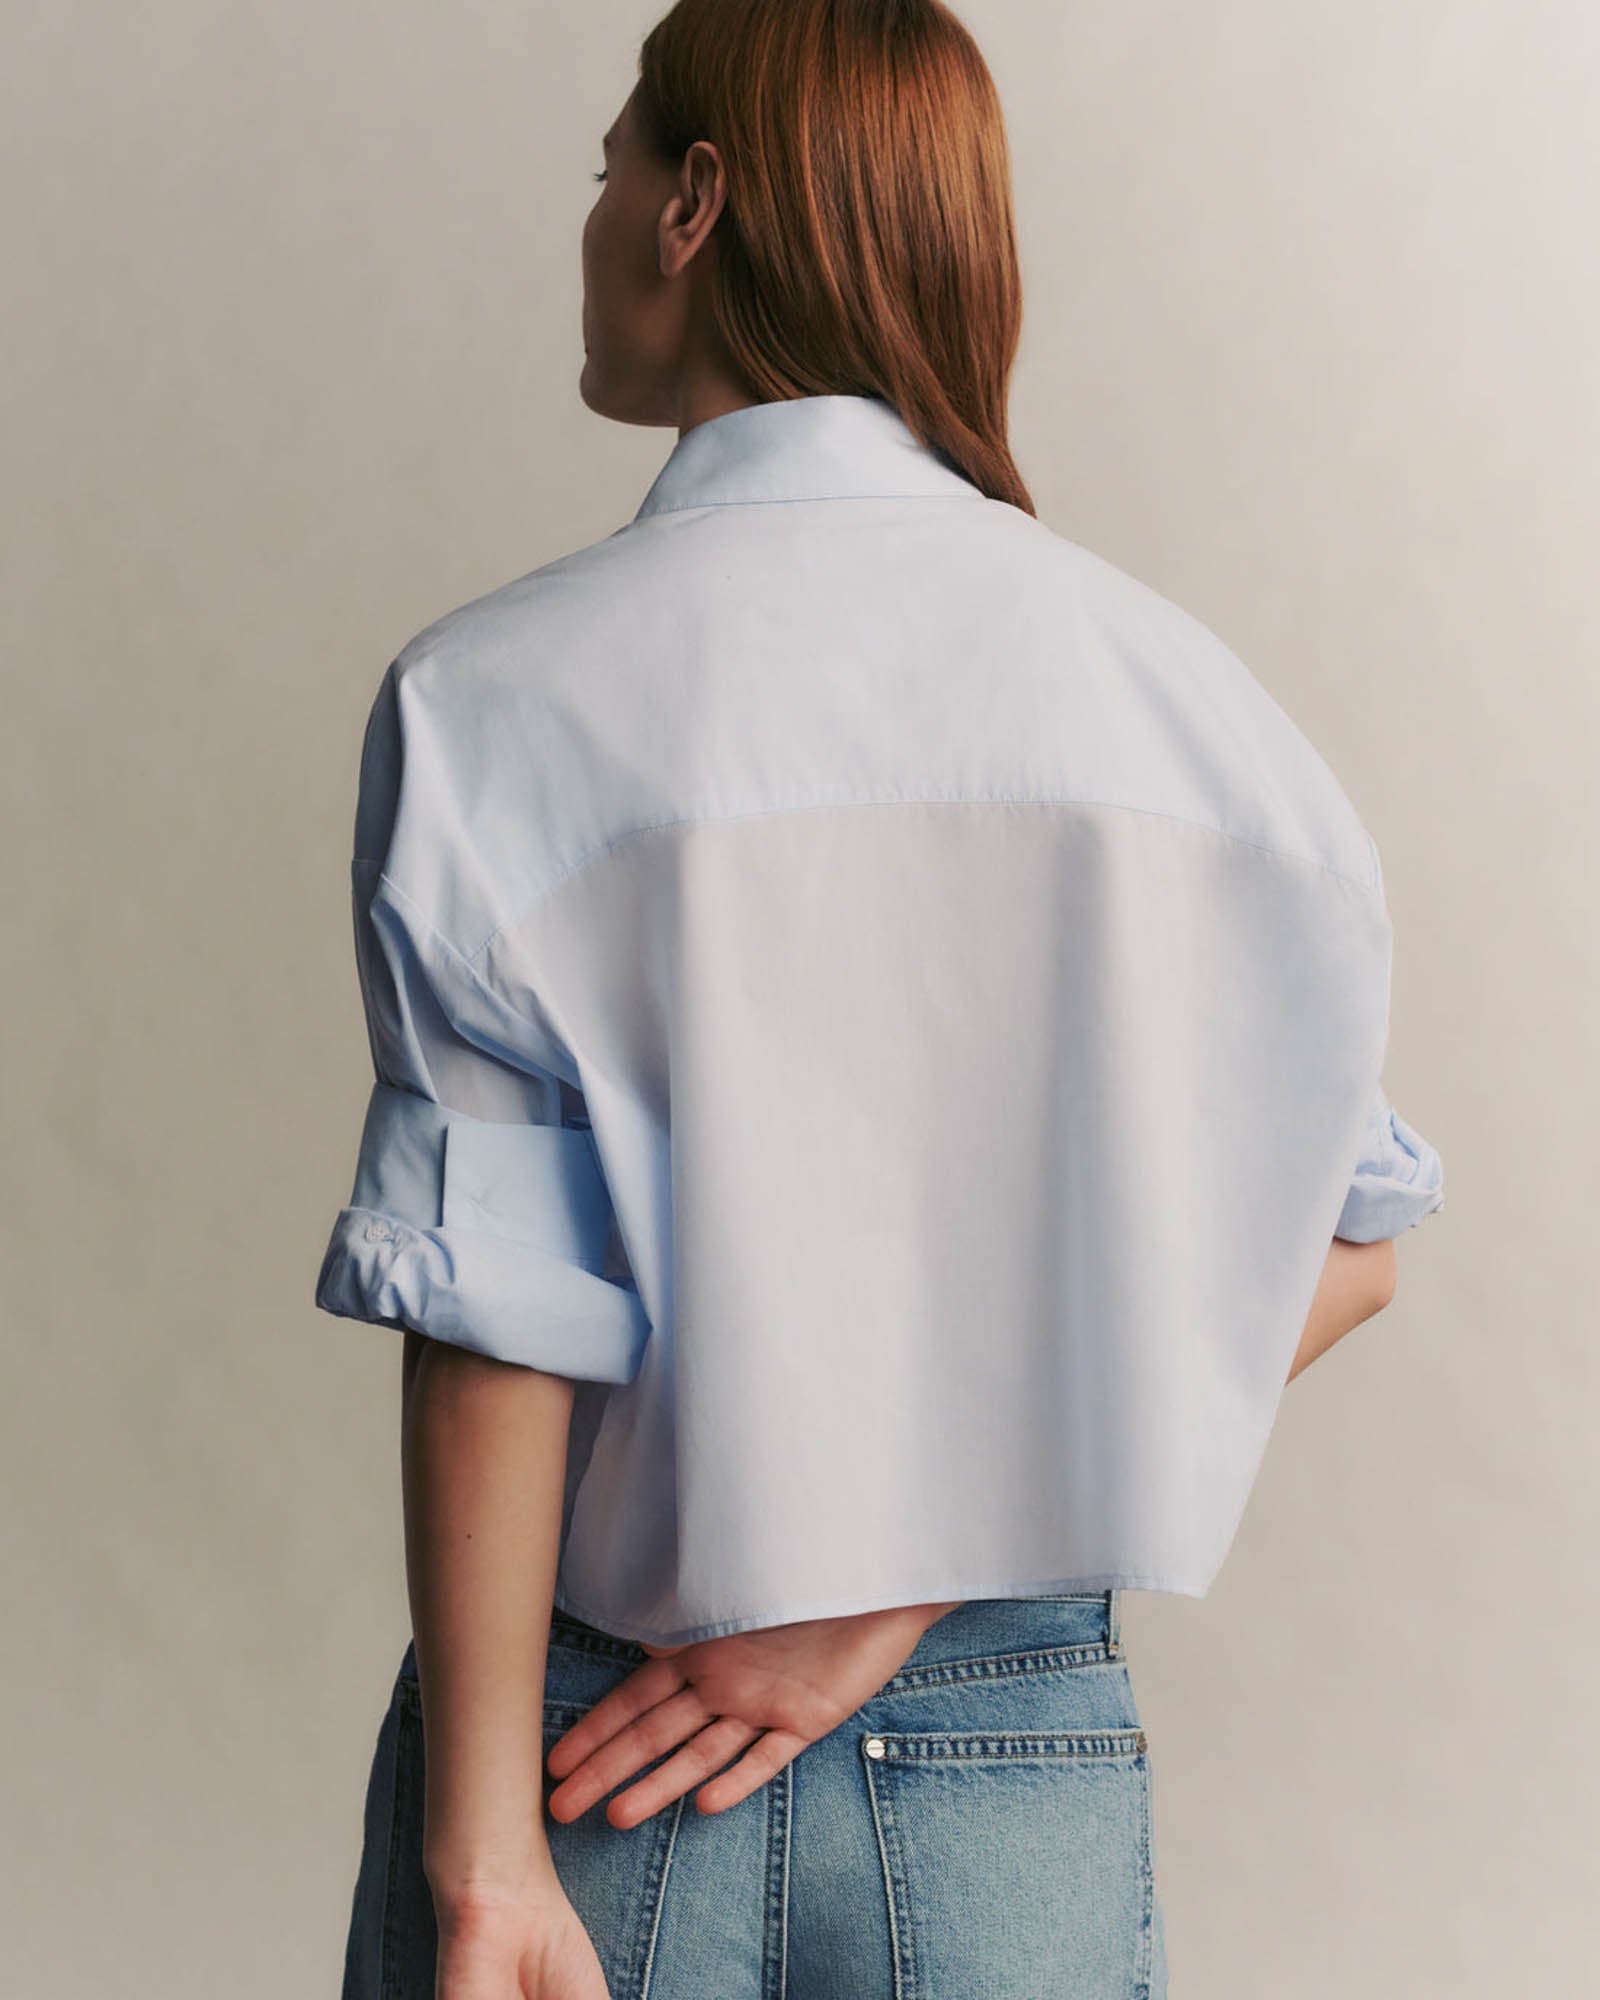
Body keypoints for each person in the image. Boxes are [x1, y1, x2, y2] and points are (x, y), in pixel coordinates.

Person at [314, 3, 1446, 1995]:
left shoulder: (496, 699)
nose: (589, 217)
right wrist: (892, 1591)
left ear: (695, 203)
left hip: (601, 1761)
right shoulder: (1187, 710)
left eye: (607, 167)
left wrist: (486, 1863)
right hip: (1015, 1762)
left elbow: (500, 1314)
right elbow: (1344, 1246)